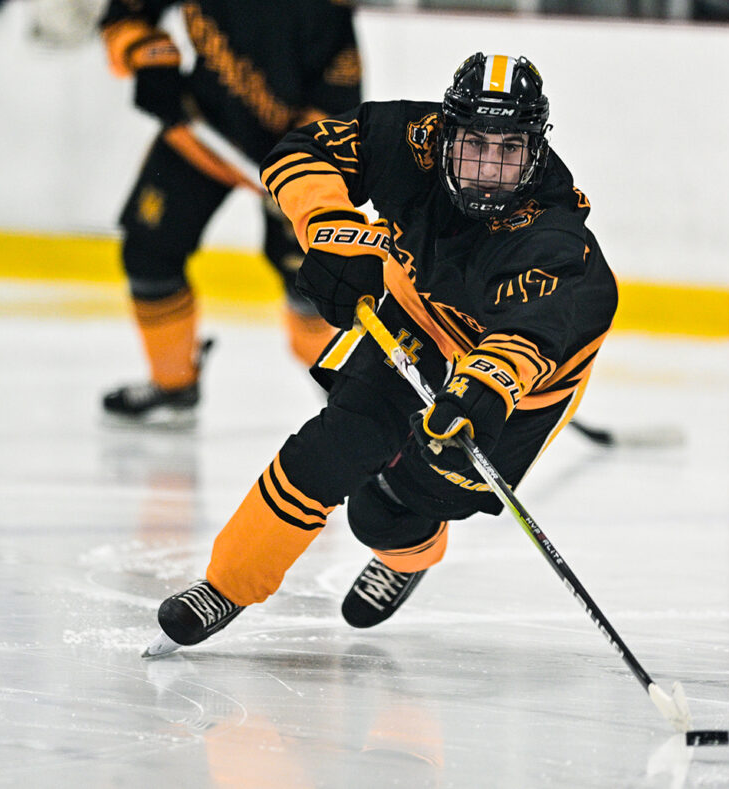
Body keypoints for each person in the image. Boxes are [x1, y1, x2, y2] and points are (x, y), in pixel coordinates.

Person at [142, 53, 618, 655]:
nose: (489, 171)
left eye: (509, 151)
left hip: (520, 390)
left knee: (387, 510)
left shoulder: (554, 241)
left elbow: (527, 342)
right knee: (331, 448)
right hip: (415, 319)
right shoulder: (410, 141)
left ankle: (410, 551)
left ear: (536, 150)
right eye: (475, 146)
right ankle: (226, 586)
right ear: (448, 133)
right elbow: (298, 152)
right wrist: (331, 231)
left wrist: (481, 388)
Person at [98, 0, 362, 425]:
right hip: (200, 129)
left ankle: (351, 399)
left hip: (291, 153)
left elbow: (338, 100)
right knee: (149, 254)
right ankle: (173, 384)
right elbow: (125, 15)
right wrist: (146, 55)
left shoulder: (327, 13)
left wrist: (306, 171)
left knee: (311, 288)